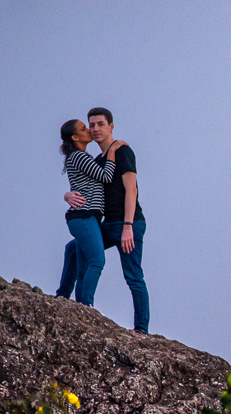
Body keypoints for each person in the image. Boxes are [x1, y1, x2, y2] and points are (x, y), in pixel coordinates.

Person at [56, 107, 150, 334]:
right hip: (108, 224)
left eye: (100, 124)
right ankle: (63, 300)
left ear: (111, 127)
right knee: (73, 249)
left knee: (133, 276)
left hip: (129, 223)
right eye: (91, 125)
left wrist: (128, 226)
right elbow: (83, 182)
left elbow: (131, 191)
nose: (95, 129)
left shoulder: (123, 152)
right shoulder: (98, 159)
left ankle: (142, 331)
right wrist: (67, 195)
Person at [57, 119, 123, 319]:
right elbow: (106, 176)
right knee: (97, 259)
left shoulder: (80, 157)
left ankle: (68, 301)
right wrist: (112, 151)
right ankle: (86, 306)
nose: (90, 131)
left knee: (81, 262)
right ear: (75, 137)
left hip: (86, 217)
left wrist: (67, 194)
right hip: (83, 216)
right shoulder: (79, 156)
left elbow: (85, 183)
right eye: (84, 129)